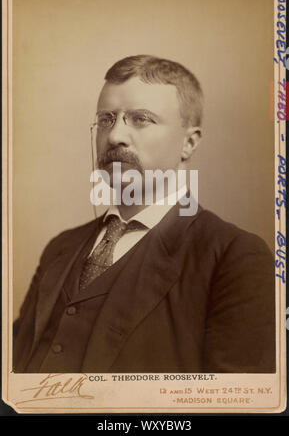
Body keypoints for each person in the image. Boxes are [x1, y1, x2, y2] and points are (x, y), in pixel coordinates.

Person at [13, 55, 275, 373]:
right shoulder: (61, 248)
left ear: (189, 143)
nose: (114, 136)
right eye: (106, 119)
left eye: (141, 119)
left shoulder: (232, 256)